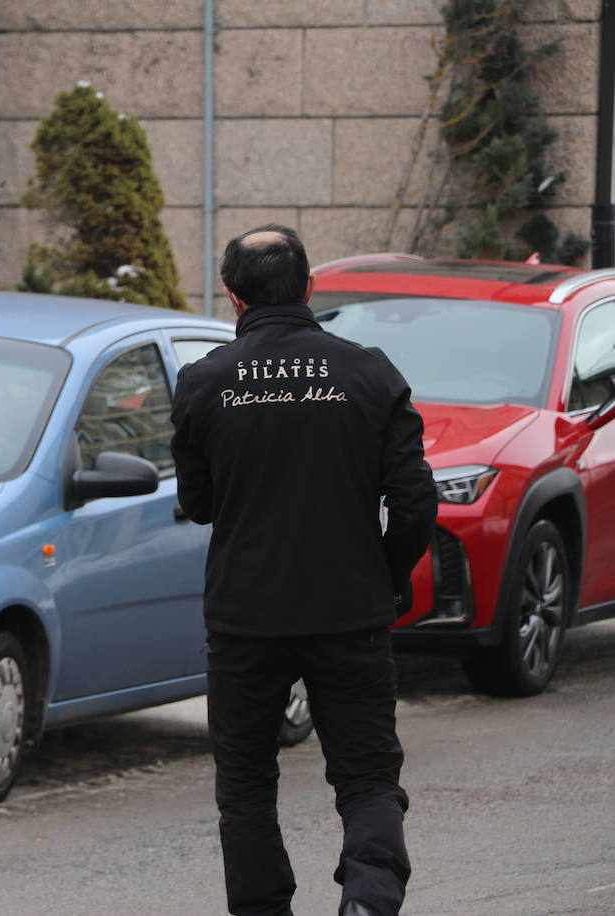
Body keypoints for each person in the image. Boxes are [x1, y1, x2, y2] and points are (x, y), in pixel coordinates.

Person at [170, 226, 437, 916]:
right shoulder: (368, 372)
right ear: (310, 288)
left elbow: (197, 505)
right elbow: (414, 502)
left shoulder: (203, 383)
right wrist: (386, 574)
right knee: (369, 777)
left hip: (245, 615)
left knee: (247, 785)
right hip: (349, 606)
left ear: (232, 298)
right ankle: (369, 899)